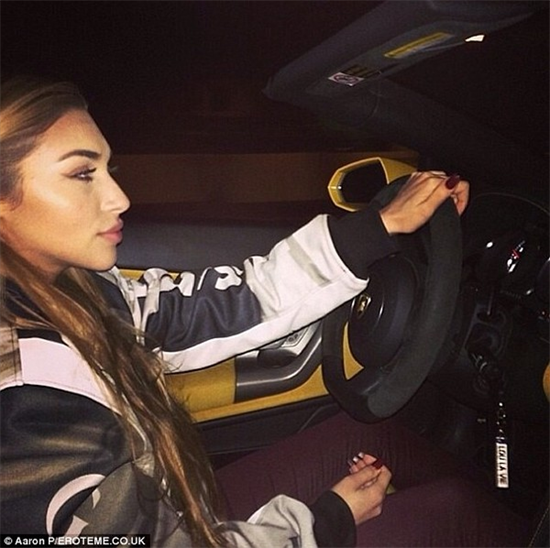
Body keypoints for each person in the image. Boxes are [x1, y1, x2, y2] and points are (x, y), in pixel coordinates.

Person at [0, 76, 529, 547]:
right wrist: (327, 522)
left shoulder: (78, 290)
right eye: (81, 174)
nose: (119, 198)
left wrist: (378, 227)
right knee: (453, 513)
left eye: (108, 169)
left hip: (170, 502)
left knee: (377, 438)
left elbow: (216, 309)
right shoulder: (26, 410)